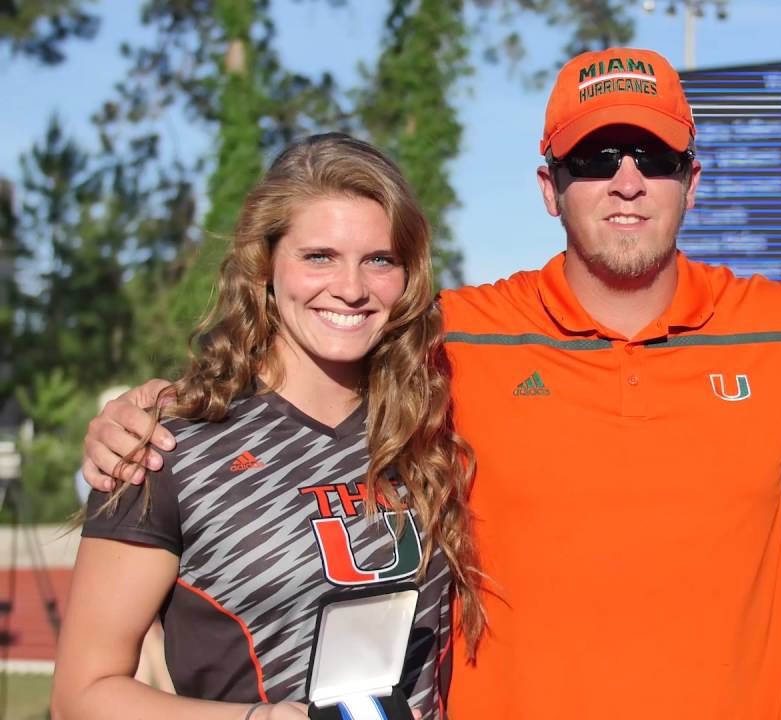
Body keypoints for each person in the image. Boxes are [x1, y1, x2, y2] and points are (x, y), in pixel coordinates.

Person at [78, 49, 781, 719]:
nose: (626, 180)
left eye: (649, 155)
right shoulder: (453, 335)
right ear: (549, 185)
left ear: (694, 178)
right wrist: (138, 413)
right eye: (595, 159)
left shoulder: (779, 331)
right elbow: (305, 364)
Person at [51, 134, 479, 720]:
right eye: (318, 256)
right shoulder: (168, 446)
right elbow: (82, 694)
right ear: (265, 263)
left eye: (379, 259)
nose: (351, 288)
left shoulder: (432, 421)